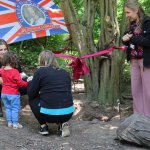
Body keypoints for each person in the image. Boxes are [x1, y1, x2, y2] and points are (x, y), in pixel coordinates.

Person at [27, 50, 74, 137]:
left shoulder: (40, 71)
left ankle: (43, 126)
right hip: (68, 114)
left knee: (32, 98)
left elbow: (31, 94)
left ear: (41, 60)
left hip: (48, 115)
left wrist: (30, 82)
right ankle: (61, 124)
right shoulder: (65, 72)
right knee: (58, 96)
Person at [122, 0, 150, 117]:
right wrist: (124, 39)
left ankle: (148, 117)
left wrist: (132, 38)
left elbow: (148, 41)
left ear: (136, 10)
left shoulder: (148, 22)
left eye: (128, 12)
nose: (127, 15)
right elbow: (124, 39)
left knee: (148, 90)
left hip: (146, 61)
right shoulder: (130, 24)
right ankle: (138, 117)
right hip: (133, 60)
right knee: (136, 91)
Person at [0, 51, 28, 129]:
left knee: (8, 108)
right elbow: (20, 83)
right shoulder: (15, 71)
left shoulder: (2, 70)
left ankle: (9, 123)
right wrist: (28, 84)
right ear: (13, 61)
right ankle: (15, 124)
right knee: (15, 108)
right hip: (13, 93)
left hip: (4, 93)